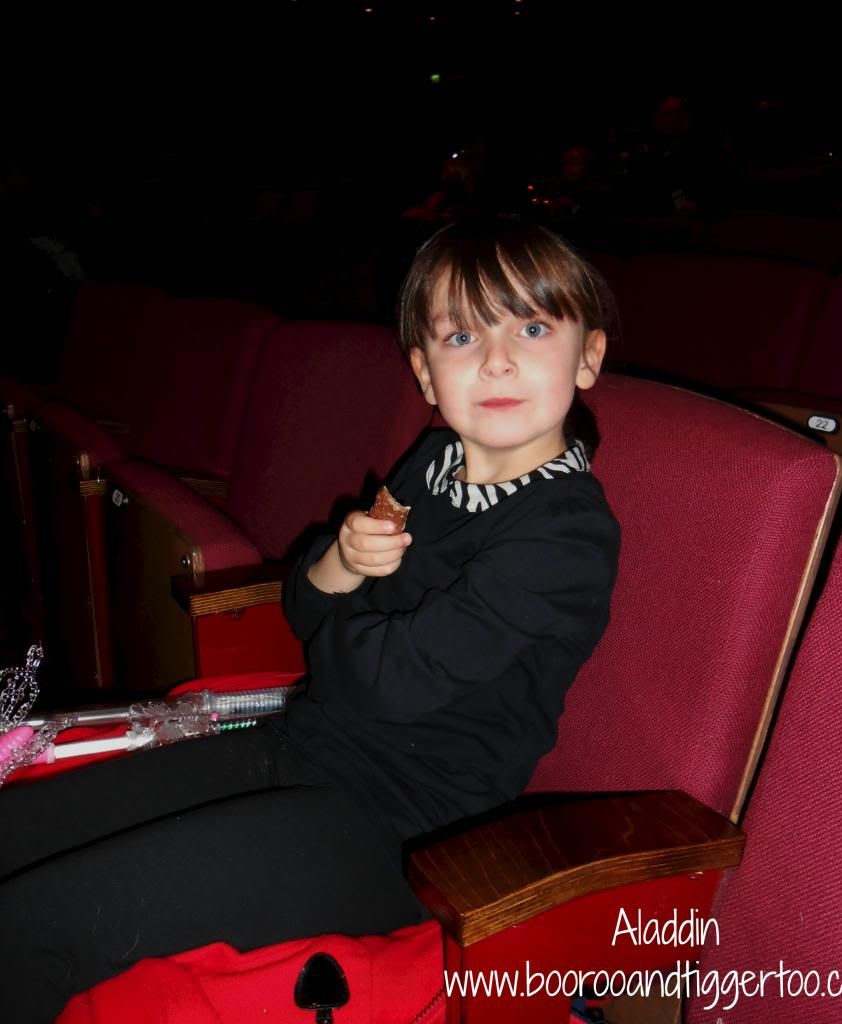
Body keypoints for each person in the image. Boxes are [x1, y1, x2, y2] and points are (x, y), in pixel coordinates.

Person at [0, 216, 620, 1022]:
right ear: (426, 375)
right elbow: (304, 602)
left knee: (36, 926)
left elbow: (387, 684)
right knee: (20, 827)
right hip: (302, 743)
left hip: (406, 825)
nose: (497, 358)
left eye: (532, 326)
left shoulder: (565, 535)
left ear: (589, 356)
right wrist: (339, 564)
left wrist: (342, 591)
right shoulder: (433, 461)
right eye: (461, 335)